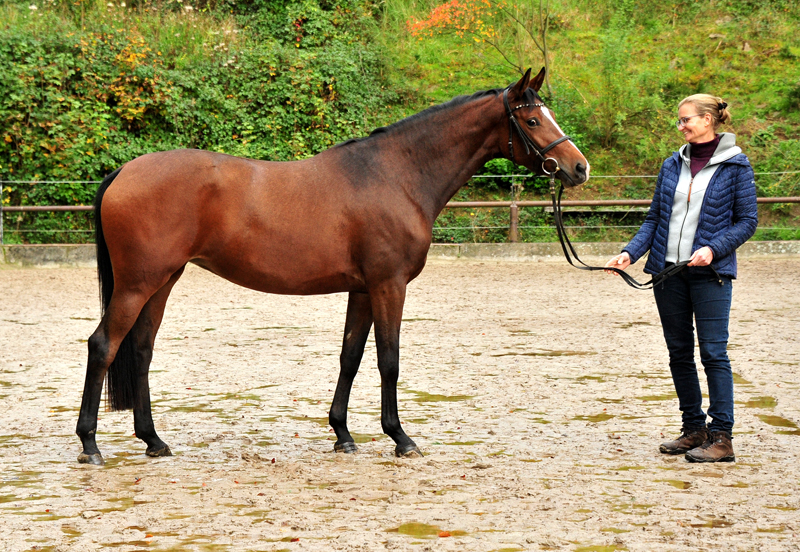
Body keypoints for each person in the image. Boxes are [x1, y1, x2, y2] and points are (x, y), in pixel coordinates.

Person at [605, 94, 758, 463]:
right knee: (678, 353)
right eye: (680, 121)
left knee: (713, 353)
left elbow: (747, 221)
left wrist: (714, 249)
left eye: (686, 120)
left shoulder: (736, 166)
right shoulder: (672, 164)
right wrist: (630, 252)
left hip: (710, 275)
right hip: (666, 273)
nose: (682, 126)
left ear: (708, 120)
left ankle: (722, 437)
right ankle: (694, 430)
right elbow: (655, 218)